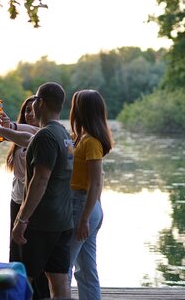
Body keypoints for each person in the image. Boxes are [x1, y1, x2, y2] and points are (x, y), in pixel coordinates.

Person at [11, 82, 73, 299]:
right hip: (63, 220)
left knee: (23, 277)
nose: (34, 104)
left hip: (41, 221)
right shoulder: (64, 135)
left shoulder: (45, 136)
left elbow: (40, 181)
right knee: (59, 278)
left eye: (35, 99)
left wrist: (22, 219)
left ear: (41, 103)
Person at [0, 97, 49, 298]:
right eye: (26, 111)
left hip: (35, 203)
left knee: (34, 253)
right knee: (16, 251)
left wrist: (7, 127)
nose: (30, 114)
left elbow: (28, 134)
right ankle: (17, 292)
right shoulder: (17, 137)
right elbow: (18, 135)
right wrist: (4, 128)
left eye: (33, 110)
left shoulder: (44, 135)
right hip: (17, 199)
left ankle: (38, 293)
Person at [67, 90, 112, 300]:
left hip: (82, 207)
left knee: (62, 268)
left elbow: (96, 182)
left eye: (75, 105)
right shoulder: (80, 138)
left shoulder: (92, 142)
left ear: (80, 110)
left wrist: (86, 218)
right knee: (85, 270)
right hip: (86, 207)